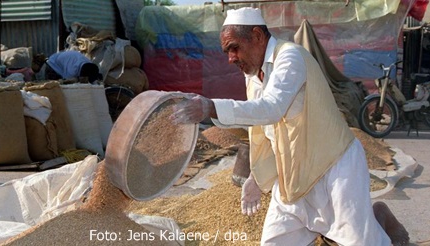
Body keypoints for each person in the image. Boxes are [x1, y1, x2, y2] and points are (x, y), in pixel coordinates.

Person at [170, 7, 409, 246]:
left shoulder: (291, 57)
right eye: (226, 51)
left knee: (360, 242)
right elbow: (266, 130)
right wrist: (257, 177)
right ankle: (365, 222)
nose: (231, 58)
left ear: (256, 36)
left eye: (234, 47)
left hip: (334, 169)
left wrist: (211, 107)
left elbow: (273, 107)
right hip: (293, 177)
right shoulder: (253, 76)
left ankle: (380, 218)